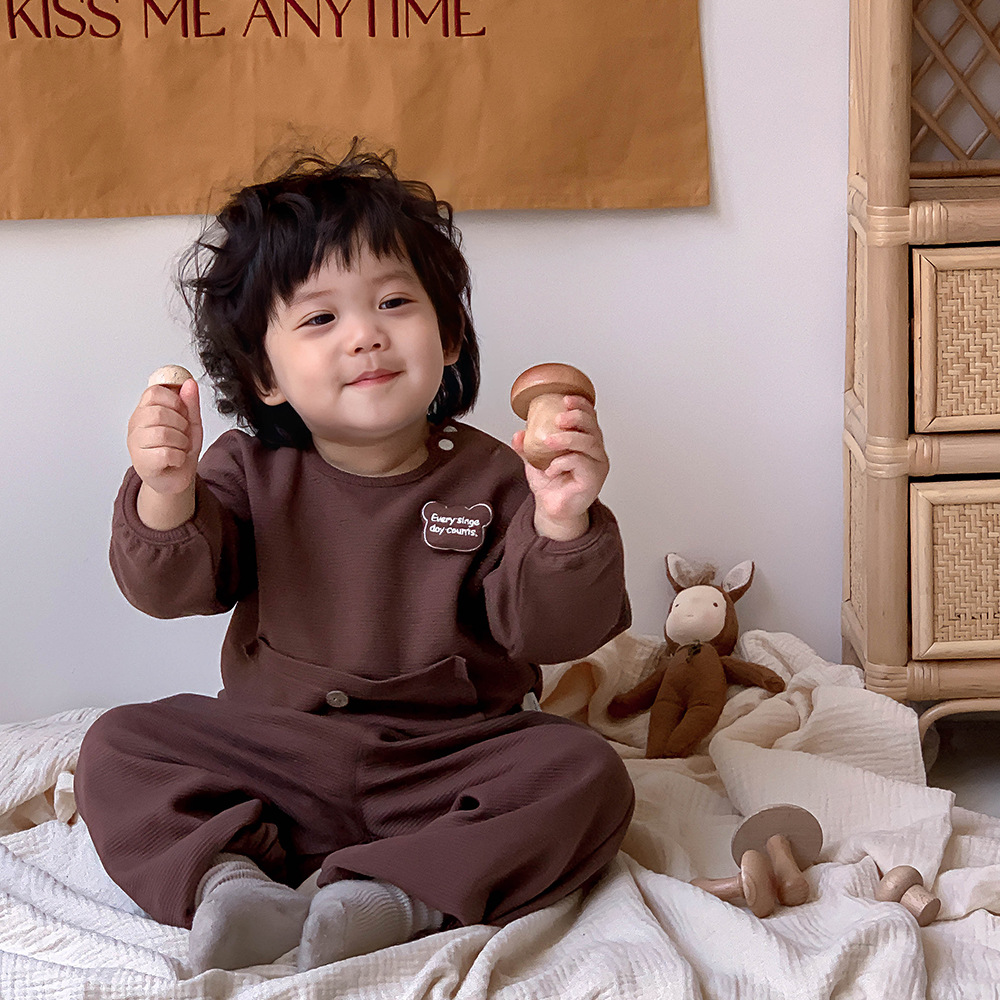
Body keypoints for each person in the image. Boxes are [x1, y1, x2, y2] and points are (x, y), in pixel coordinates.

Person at [75, 144, 635, 976]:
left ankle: (385, 896)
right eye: (320, 317)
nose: (367, 335)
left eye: (395, 302)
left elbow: (557, 630)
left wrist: (562, 520)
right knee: (117, 744)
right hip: (278, 759)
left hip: (448, 766)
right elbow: (169, 588)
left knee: (586, 773)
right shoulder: (245, 469)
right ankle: (230, 884)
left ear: (448, 337)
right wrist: (165, 489)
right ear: (264, 374)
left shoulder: (492, 475)